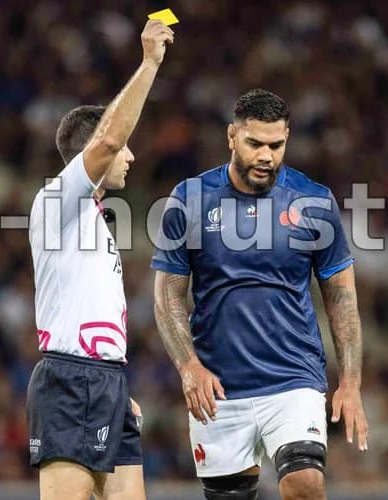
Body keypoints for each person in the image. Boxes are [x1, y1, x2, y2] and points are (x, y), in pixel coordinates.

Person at [152, 89, 367, 500]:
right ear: (231, 136)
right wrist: (188, 366)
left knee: (305, 484)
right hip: (218, 388)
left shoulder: (314, 201)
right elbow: (167, 296)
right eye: (255, 144)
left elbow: (342, 299)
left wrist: (351, 381)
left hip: (293, 377)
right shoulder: (190, 198)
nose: (266, 156)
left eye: (276, 144)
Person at [25, 19, 173, 500]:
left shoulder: (94, 218)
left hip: (107, 382)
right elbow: (107, 141)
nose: (129, 155)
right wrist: (149, 62)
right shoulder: (56, 201)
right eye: (124, 146)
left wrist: (113, 379)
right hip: (70, 380)